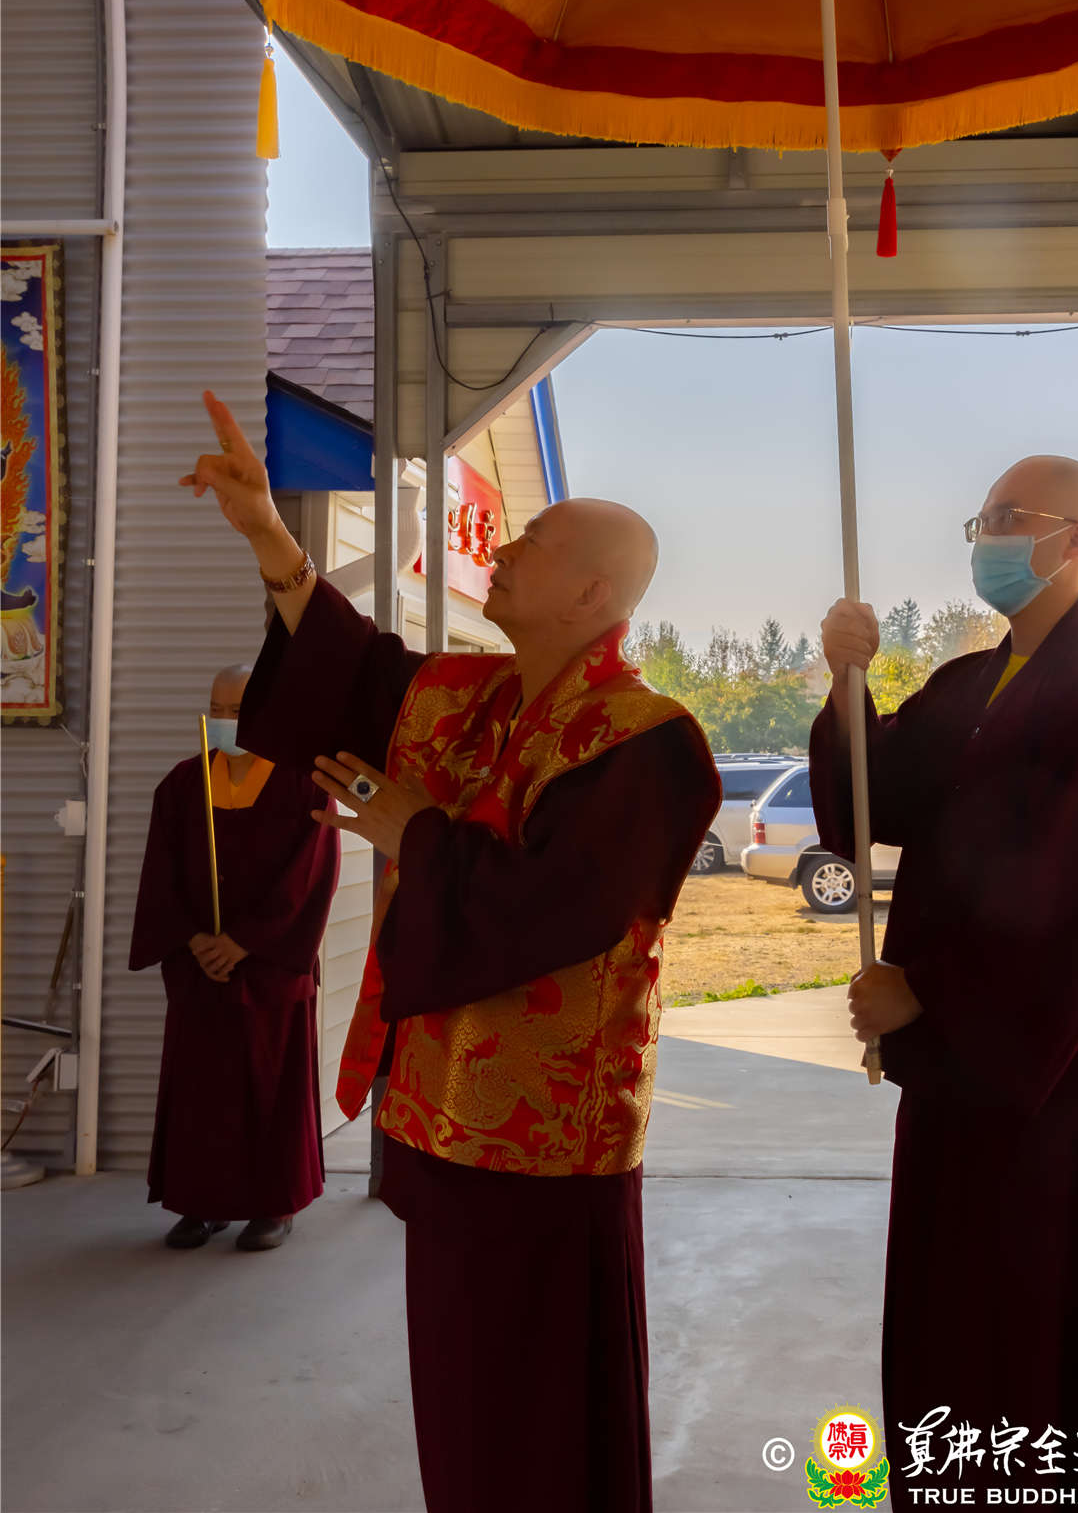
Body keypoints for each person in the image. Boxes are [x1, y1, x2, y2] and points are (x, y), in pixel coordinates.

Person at [179, 389, 720, 1513]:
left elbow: (547, 917)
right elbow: (356, 672)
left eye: (535, 541)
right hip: (443, 1117)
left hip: (549, 1148)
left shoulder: (644, 741)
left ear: (594, 595)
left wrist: (413, 831)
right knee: (462, 1401)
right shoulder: (469, 699)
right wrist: (269, 533)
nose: (505, 549)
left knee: (539, 1412)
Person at [810, 457, 1078, 1506]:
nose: (989, 538)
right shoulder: (969, 685)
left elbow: (1076, 905)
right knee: (949, 1336)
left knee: (1035, 1352)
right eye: (982, 520)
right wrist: (846, 683)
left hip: (1052, 1089)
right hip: (956, 1087)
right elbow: (872, 799)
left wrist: (926, 993)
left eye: (1011, 517)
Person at [129, 663, 340, 1250]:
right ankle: (200, 1203)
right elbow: (161, 874)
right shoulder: (182, 785)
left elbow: (311, 876)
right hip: (200, 967)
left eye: (240, 710)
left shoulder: (303, 786)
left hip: (269, 965)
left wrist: (245, 940)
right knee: (201, 1091)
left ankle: (275, 1205)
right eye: (217, 709)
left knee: (271, 1086)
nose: (226, 721)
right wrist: (192, 938)